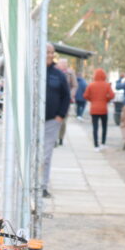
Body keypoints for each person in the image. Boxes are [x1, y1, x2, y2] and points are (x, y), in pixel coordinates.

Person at [42, 43, 70, 198]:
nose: (50, 55)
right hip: (30, 122)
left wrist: (60, 116)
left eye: (52, 52)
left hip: (51, 121)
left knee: (46, 155)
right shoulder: (30, 71)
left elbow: (66, 96)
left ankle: (42, 186)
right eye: (47, 52)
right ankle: (26, 184)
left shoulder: (58, 75)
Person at [84, 68, 115, 150]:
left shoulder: (91, 85)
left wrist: (92, 100)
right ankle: (103, 143)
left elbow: (85, 95)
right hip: (103, 108)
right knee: (104, 126)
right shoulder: (107, 85)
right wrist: (106, 100)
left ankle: (96, 145)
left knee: (95, 127)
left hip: (94, 108)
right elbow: (112, 95)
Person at [56, 58, 76, 145]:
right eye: (62, 64)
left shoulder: (70, 73)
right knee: (54, 120)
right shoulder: (54, 71)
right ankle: (55, 138)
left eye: (65, 64)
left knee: (63, 120)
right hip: (56, 99)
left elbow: (75, 85)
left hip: (66, 100)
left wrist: (70, 95)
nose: (63, 65)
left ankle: (61, 137)